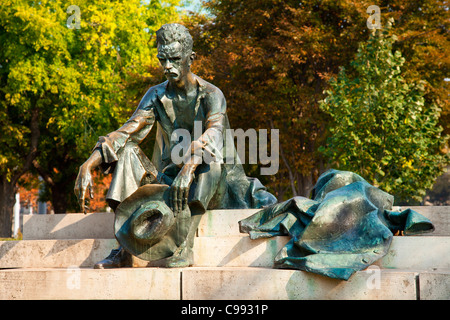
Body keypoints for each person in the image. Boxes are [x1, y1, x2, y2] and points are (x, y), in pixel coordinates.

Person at [74, 23, 276, 268]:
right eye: (163, 60)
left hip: (213, 183)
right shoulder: (156, 95)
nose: (167, 66)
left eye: (175, 59)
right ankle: (125, 248)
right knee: (127, 152)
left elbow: (213, 135)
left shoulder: (212, 94)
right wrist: (89, 164)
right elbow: (127, 132)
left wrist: (189, 168)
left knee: (209, 160)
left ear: (191, 58)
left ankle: (185, 246)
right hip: (172, 178)